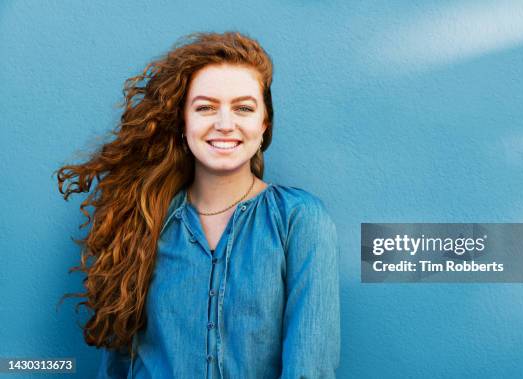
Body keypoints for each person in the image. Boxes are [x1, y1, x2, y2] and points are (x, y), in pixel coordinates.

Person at [56, 31, 340, 378]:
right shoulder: (142, 219)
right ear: (183, 123)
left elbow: (310, 369)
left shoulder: (300, 219)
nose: (224, 124)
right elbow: (117, 365)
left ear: (263, 124)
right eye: (205, 107)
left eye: (243, 108)